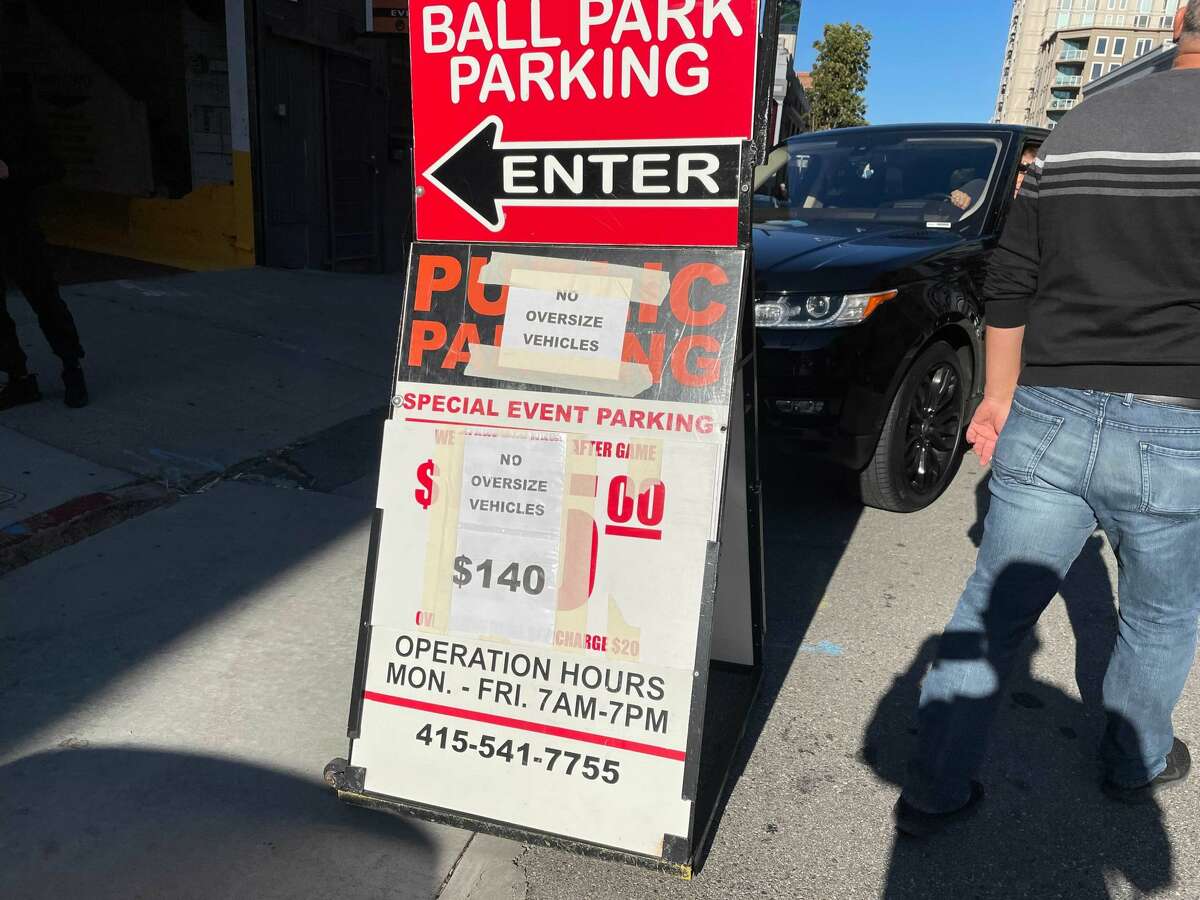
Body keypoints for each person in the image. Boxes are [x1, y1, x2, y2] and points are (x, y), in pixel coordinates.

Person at [895, 0, 1200, 837]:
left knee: (993, 607)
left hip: (1049, 408)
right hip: (1180, 421)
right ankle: (1132, 761)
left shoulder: (1080, 126)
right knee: (1164, 613)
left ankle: (931, 787)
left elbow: (1012, 277)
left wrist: (997, 395)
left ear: (1178, 19)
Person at [0, 77, 88, 410]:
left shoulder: (16, 120)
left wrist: (11, 172)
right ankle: (18, 378)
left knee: (45, 299)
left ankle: (71, 368)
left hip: (17, 228)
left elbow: (52, 167)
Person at [950, 144, 1039, 211]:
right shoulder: (981, 188)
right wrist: (957, 200)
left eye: (1034, 174)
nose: (1023, 179)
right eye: (1021, 169)